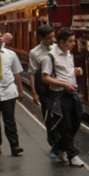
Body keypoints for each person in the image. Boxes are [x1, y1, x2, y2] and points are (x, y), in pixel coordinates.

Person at [41, 27, 84, 167]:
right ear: (61, 41)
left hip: (72, 93)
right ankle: (73, 155)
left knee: (76, 122)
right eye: (71, 41)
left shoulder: (69, 55)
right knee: (66, 126)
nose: (74, 44)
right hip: (59, 95)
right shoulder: (50, 57)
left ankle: (59, 147)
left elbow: (66, 72)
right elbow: (45, 78)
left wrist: (75, 72)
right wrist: (64, 84)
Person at [28, 25, 59, 160]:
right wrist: (34, 92)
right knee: (49, 117)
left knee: (62, 116)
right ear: (41, 38)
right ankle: (53, 144)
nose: (52, 40)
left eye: (53, 37)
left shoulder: (58, 48)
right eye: (49, 38)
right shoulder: (34, 53)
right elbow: (32, 73)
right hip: (45, 90)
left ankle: (62, 143)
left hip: (59, 88)